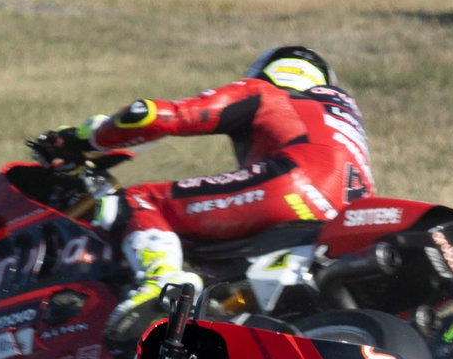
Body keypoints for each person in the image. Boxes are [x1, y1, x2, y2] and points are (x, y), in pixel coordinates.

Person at [36, 46, 375, 338]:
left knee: (140, 200)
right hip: (342, 219)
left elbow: (154, 116)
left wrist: (87, 138)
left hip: (288, 187)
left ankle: (163, 285)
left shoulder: (266, 92)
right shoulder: (342, 115)